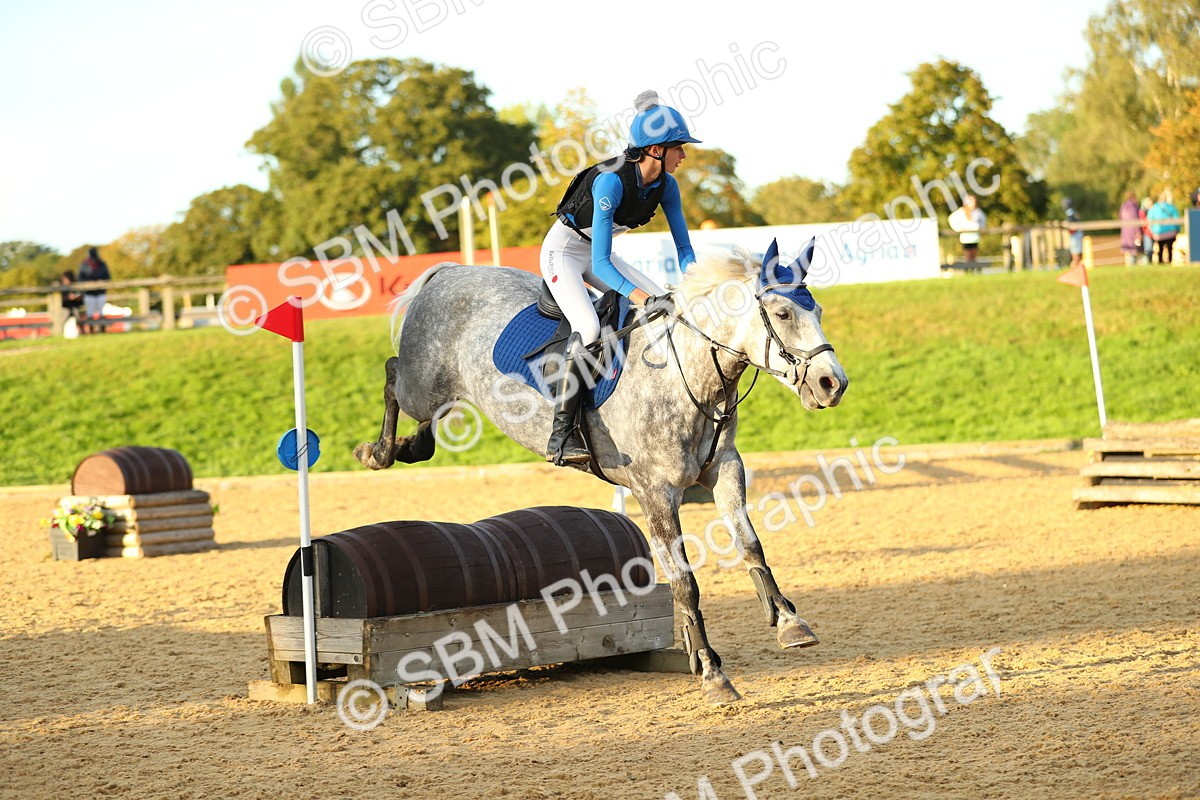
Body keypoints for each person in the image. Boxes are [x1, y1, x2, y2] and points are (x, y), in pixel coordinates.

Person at [539, 90, 700, 465]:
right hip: (563, 253)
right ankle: (560, 437)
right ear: (656, 150)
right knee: (589, 327)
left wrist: (695, 286)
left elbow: (684, 250)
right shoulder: (611, 182)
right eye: (679, 147)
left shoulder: (667, 186)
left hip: (600, 254)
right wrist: (640, 297)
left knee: (666, 311)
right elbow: (602, 261)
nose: (685, 155)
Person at [77, 246, 111, 333]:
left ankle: (102, 330)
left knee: (101, 311)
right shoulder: (84, 265)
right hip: (89, 292)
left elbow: (107, 277)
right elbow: (80, 278)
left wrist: (100, 282)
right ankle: (91, 330)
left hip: (100, 291)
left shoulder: (101, 264)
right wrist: (89, 282)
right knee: (90, 312)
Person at [947, 195, 986, 271]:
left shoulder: (977, 212)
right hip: (966, 237)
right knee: (968, 254)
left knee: (974, 254)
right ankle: (968, 270)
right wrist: (958, 228)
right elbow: (951, 219)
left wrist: (981, 227)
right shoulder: (961, 212)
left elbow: (983, 220)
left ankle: (973, 269)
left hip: (975, 237)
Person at [1147, 191, 1181, 264]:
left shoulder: (1154, 208)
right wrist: (1177, 229)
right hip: (1170, 232)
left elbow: (1149, 220)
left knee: (1160, 249)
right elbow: (1176, 219)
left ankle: (1160, 262)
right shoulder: (1171, 207)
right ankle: (1169, 262)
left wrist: (1152, 230)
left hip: (1159, 232)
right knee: (1170, 249)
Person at [1119, 192, 1142, 267]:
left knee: (1129, 251)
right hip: (1133, 231)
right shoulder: (1133, 207)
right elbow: (1135, 220)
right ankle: (1133, 267)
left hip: (1125, 231)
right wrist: (1138, 232)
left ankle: (1130, 266)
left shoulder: (1123, 206)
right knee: (1134, 250)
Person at [1062, 198, 1084, 270]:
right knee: (1077, 250)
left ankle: (1076, 266)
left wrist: (1065, 224)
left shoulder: (1070, 212)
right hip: (1077, 233)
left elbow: (1070, 221)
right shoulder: (1074, 212)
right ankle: (1077, 265)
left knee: (1075, 251)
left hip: (1075, 234)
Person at [1139, 196, 1155, 264]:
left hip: (1153, 232)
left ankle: (1149, 262)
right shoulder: (1142, 211)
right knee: (1148, 249)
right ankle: (1147, 263)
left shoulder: (1154, 210)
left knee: (1150, 249)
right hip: (1146, 233)